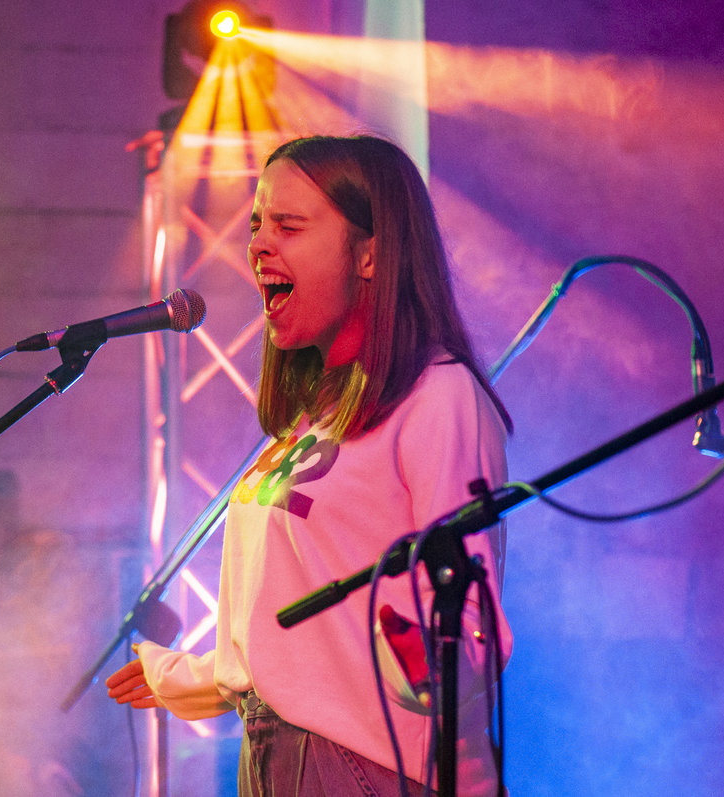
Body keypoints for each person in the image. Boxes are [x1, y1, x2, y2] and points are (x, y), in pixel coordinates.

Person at [105, 135, 513, 797]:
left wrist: (412, 653)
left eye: (289, 226)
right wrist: (186, 676)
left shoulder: (438, 396)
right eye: (256, 225)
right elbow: (293, 636)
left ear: (371, 254)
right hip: (276, 753)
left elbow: (468, 625)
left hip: (373, 768)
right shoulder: (315, 415)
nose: (259, 244)